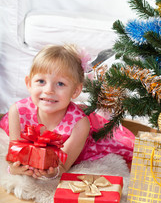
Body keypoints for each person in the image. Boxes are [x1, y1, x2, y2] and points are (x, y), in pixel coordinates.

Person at [0, 44, 135, 179]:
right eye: (41, 81)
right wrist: (15, 168)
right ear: (29, 84)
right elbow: (15, 154)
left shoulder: (80, 124)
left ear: (75, 91)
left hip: (78, 146)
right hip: (26, 118)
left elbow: (63, 166)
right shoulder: (18, 112)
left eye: (60, 84)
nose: (48, 90)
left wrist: (53, 172)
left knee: (123, 145)